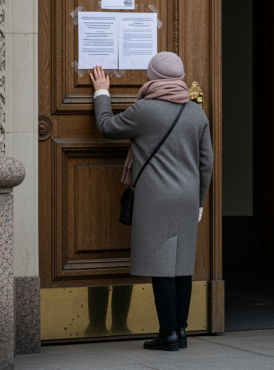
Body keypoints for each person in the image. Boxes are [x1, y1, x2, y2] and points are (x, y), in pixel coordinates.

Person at [89, 52, 213, 351]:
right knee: (182, 267)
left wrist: (102, 92)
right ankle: (181, 332)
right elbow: (206, 162)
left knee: (161, 267)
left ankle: (167, 333)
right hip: (186, 197)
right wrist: (199, 202)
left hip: (156, 196)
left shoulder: (144, 110)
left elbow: (107, 126)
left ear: (152, 77)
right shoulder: (196, 113)